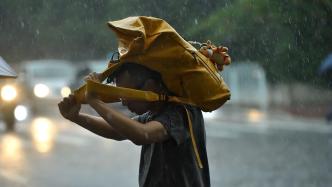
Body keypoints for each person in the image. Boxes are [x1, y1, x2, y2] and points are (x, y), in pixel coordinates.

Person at [58, 62, 210, 187]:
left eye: (126, 93)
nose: (123, 101)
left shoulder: (181, 112)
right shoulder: (154, 113)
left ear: (150, 86)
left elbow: (143, 134)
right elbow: (117, 131)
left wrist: (95, 102)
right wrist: (76, 117)